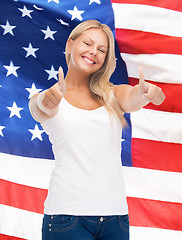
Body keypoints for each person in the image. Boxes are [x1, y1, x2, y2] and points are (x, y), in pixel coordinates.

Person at [29, 20, 165, 240]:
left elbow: (132, 98)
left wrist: (145, 93)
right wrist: (48, 99)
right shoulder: (50, 97)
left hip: (116, 219)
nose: (94, 52)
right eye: (88, 43)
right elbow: (39, 107)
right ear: (70, 43)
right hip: (67, 219)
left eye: (102, 50)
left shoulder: (113, 94)